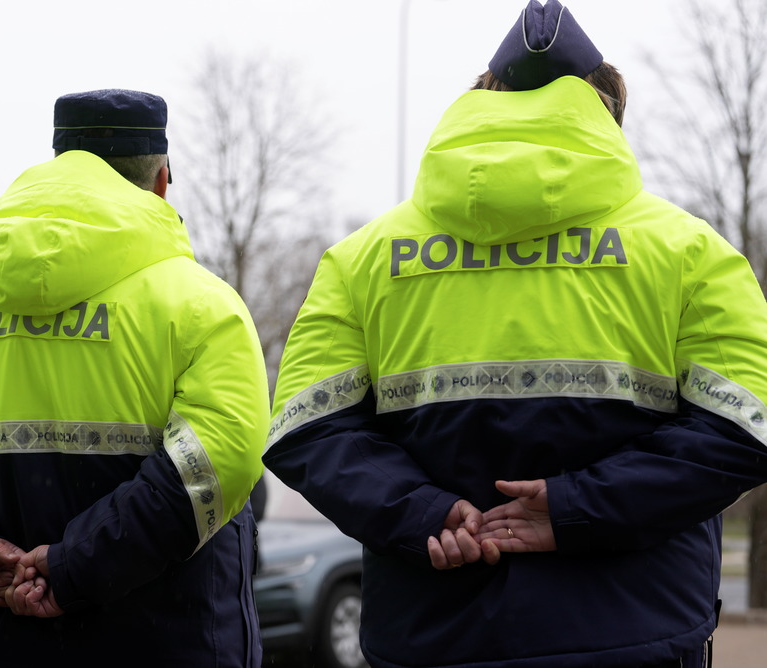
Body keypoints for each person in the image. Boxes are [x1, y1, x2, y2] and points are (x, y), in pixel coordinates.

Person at [262, 2, 767, 667]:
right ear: (605, 117)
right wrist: (575, 508)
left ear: (482, 99)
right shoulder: (689, 254)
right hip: (634, 632)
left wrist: (422, 514)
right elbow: (747, 426)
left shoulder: (362, 260)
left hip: (432, 635)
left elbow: (303, 427)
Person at [0, 89, 270, 667]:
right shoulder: (205, 308)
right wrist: (72, 565)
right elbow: (219, 464)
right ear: (161, 182)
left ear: (59, 164)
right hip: (171, 644)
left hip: (0, 648)